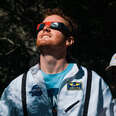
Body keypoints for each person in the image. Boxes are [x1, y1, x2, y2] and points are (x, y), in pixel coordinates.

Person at [0, 8, 115, 116]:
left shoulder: (93, 82)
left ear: (69, 41)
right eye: (41, 26)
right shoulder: (17, 86)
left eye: (55, 26)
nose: (45, 28)